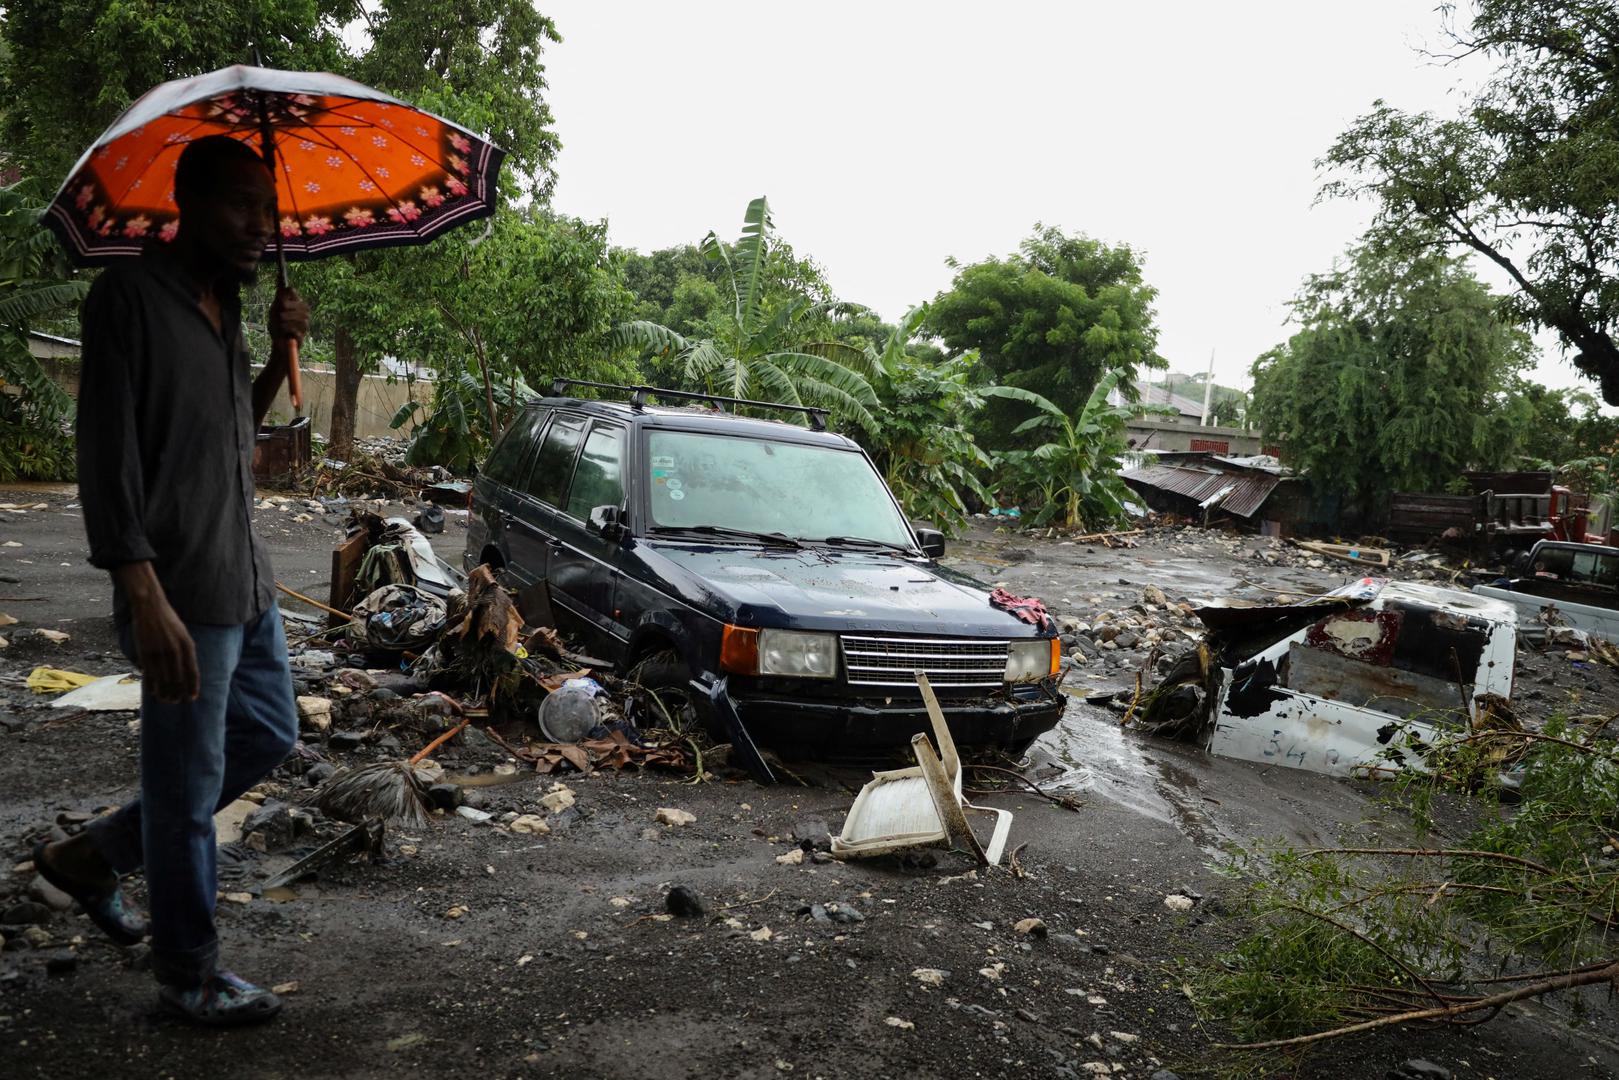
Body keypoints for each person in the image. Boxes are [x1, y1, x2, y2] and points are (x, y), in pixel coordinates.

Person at [33, 135, 309, 1027]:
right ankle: (186, 974)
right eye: (239, 205)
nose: (259, 227)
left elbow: (237, 435)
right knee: (188, 792)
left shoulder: (227, 305)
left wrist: (275, 354)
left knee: (268, 733)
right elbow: (105, 461)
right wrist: (142, 595)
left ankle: (93, 857)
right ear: (186, 201)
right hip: (181, 587)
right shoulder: (129, 299)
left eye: (267, 210)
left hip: (248, 577)